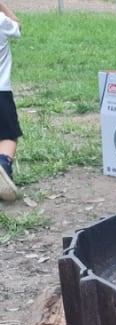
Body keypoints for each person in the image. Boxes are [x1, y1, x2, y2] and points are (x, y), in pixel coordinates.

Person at [0, 0, 21, 202]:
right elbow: (18, 26)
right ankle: (3, 165)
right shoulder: (1, 21)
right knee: (8, 135)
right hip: (1, 92)